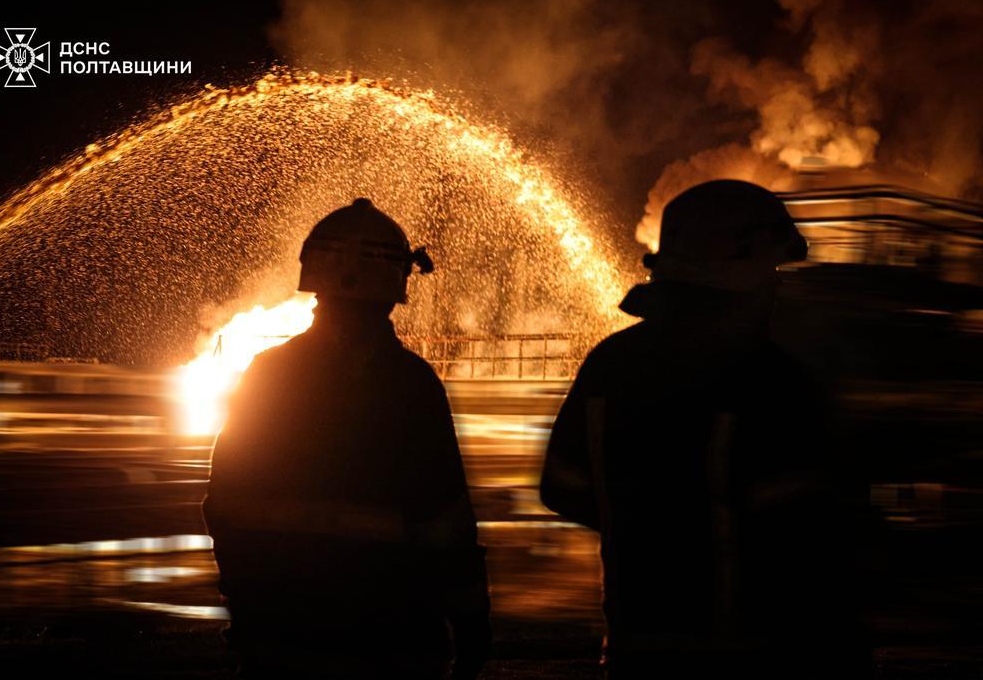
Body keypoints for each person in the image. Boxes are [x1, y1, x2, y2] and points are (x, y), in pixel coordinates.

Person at [540, 180, 868, 678]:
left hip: (637, 650)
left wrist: (651, 537)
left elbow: (563, 488)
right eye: (772, 270)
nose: (777, 285)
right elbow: (813, 541)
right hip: (762, 657)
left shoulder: (609, 364)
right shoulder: (771, 380)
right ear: (739, 271)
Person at [203, 198, 491, 679]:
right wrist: (473, 629)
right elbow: (448, 526)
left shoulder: (268, 374)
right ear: (397, 282)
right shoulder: (412, 385)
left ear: (313, 275)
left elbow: (224, 504)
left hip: (280, 641)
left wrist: (247, 602)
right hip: (394, 645)